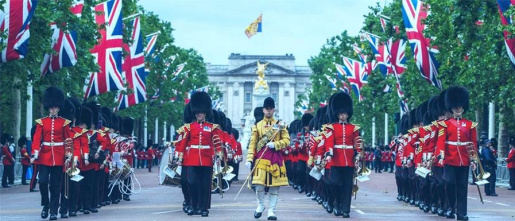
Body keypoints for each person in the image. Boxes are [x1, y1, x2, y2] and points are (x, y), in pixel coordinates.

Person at [175, 91, 223, 217]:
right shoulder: (189, 127)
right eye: (197, 112)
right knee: (192, 183)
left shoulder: (212, 127)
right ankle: (193, 205)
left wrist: (218, 154)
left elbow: (216, 142)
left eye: (201, 112)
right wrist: (179, 157)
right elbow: (183, 143)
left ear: (205, 113)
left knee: (205, 185)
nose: (199, 114)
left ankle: (203, 208)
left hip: (206, 159)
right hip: (192, 159)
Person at [31, 86, 75, 220]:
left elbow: (68, 140)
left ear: (58, 107)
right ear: (48, 107)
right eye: (51, 107)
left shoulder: (64, 123)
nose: (53, 109)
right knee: (43, 182)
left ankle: (54, 212)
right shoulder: (41, 122)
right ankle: (46, 204)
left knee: (56, 185)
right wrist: (35, 153)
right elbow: (37, 139)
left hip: (59, 156)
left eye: (55, 107)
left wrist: (68, 154)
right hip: (44, 156)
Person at [246, 97, 290, 220]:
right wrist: (249, 158)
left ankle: (272, 210)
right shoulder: (258, 126)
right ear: (263, 110)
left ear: (273, 110)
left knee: (274, 187)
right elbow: (253, 143)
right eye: (267, 109)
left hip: (275, 158)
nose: (269, 111)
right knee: (259, 185)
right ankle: (260, 205)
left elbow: (286, 140)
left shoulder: (280, 125)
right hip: (262, 158)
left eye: (271, 109)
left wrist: (276, 145)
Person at [436, 86, 476, 221]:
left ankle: (462, 212)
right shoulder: (445, 124)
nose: (458, 109)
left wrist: (474, 160)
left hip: (464, 159)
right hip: (449, 158)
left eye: (460, 107)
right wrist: (441, 155)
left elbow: (472, 144)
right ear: (451, 108)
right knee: (450, 183)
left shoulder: (470, 125)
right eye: (455, 107)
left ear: (463, 108)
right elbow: (441, 141)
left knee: (462, 186)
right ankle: (450, 207)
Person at [323, 92, 362, 218]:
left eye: (345, 114)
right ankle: (337, 203)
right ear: (337, 114)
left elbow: (357, 143)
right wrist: (329, 154)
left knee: (348, 185)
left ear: (347, 114)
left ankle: (345, 209)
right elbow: (329, 142)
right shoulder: (331, 128)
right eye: (341, 114)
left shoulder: (354, 128)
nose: (343, 115)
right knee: (335, 183)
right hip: (336, 159)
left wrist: (358, 155)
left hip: (349, 160)